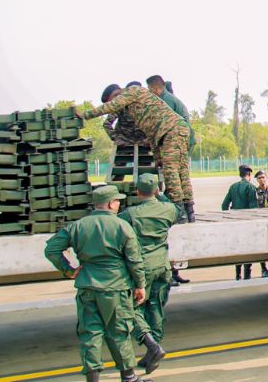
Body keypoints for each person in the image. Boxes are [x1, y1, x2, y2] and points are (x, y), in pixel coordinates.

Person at [44, 185, 149, 382]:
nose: (119, 204)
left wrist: (68, 269)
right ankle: (128, 377)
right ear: (110, 204)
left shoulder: (78, 226)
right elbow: (134, 260)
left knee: (90, 334)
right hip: (115, 288)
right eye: (117, 201)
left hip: (87, 287)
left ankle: (92, 378)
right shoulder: (122, 226)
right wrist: (140, 285)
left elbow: (51, 249)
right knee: (119, 332)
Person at [76, 84, 195, 222]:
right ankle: (189, 212)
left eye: (112, 100)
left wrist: (85, 115)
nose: (115, 105)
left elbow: (110, 106)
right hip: (176, 129)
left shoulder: (132, 91)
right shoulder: (136, 109)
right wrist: (157, 157)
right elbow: (150, 132)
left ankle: (180, 213)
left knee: (171, 172)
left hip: (171, 130)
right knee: (181, 172)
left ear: (116, 95)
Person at [118, 174, 178, 375]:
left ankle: (152, 346)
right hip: (162, 265)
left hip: (141, 268)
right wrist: (160, 196)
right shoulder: (168, 209)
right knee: (156, 306)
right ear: (157, 190)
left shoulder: (130, 214)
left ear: (137, 192)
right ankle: (154, 348)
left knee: (131, 308)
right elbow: (175, 209)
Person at [222, 165, 259, 279]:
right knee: (248, 248)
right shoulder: (251, 187)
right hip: (247, 222)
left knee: (238, 248)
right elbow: (253, 208)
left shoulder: (233, 186)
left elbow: (224, 205)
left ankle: (237, 274)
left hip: (235, 222)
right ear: (249, 175)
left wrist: (229, 217)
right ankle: (247, 274)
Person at [103, 82, 149, 147]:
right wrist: (116, 138)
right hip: (124, 144)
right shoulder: (120, 104)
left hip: (143, 143)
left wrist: (150, 138)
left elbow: (156, 123)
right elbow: (107, 124)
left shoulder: (147, 104)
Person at [253, 170, 268, 278]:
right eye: (259, 178)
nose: (261, 179)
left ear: (266, 178)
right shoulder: (255, 192)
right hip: (261, 221)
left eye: (263, 177)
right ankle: (264, 269)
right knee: (262, 246)